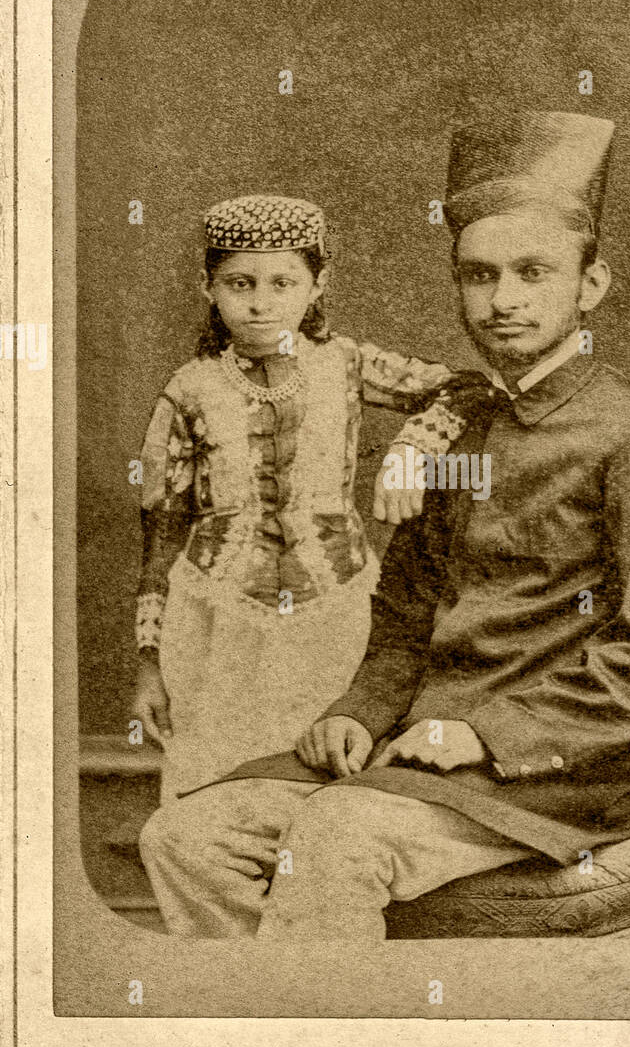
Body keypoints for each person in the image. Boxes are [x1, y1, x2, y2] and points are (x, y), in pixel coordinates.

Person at [139, 113, 630, 939]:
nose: (504, 299)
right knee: (186, 837)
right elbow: (405, 622)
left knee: (332, 840)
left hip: (552, 776)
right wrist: (358, 713)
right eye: (479, 275)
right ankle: (283, 1042)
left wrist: (484, 735)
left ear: (589, 286)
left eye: (532, 272)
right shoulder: (458, 428)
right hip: (410, 755)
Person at [133, 193, 476, 800]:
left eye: (283, 282)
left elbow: (470, 389)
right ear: (207, 286)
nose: (261, 302)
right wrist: (148, 663)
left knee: (327, 780)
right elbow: (163, 528)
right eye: (240, 282)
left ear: (318, 285)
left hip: (336, 609)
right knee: (212, 785)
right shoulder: (189, 390)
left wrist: (411, 450)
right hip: (216, 618)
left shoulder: (345, 363)